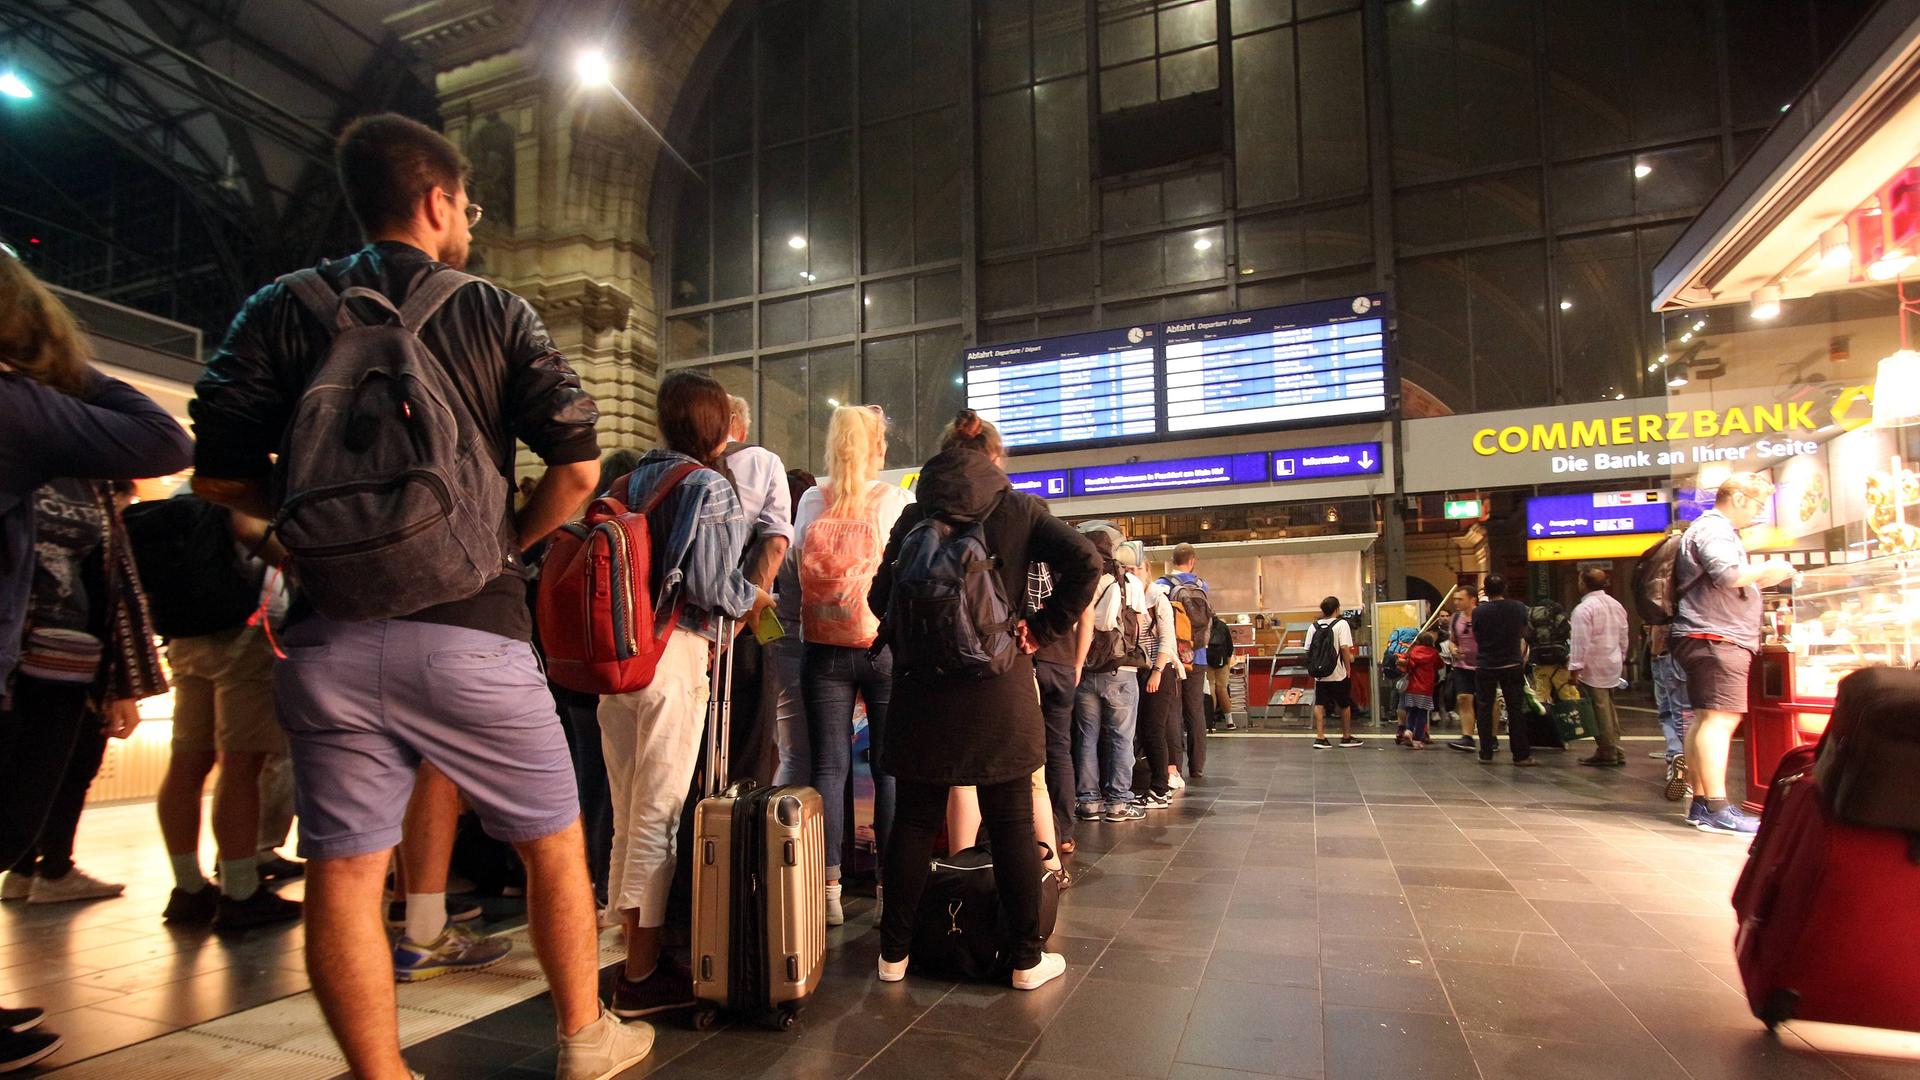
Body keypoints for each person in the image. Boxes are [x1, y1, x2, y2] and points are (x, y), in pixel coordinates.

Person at [189, 114, 652, 1079]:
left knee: (348, 874)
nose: (471, 225)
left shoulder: (276, 309)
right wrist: (502, 546)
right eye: (468, 207)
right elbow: (577, 467)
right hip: (472, 631)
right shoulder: (493, 310)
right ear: (438, 200)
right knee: (553, 848)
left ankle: (381, 1072)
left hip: (328, 640)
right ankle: (584, 1039)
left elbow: (219, 475)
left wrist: (310, 533)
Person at [0, 250, 193, 1071]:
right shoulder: (20, 408)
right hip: (29, 660)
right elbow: (164, 437)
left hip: (52, 662)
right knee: (7, 821)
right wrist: (67, 365)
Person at [868, 410, 1098, 991]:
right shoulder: (1018, 508)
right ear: (993, 458)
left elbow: (878, 595)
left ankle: (892, 956)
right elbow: (1087, 561)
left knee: (915, 822)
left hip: (921, 692)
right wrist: (1042, 627)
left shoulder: (915, 512)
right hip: (998, 692)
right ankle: (1025, 960)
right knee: (1012, 820)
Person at [595, 371, 774, 1017]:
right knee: (659, 817)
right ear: (718, 426)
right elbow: (712, 588)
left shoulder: (627, 481)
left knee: (626, 813)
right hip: (671, 660)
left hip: (615, 663)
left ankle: (626, 955)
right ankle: (642, 976)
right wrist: (756, 596)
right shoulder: (709, 486)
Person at [144, 497, 303, 931]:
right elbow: (252, 531)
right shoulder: (238, 490)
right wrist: (297, 567)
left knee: (187, 762)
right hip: (246, 633)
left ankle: (188, 888)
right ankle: (240, 891)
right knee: (241, 766)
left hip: (188, 636)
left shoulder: (185, 499)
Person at [796, 405, 911, 926]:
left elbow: (793, 562)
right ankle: (889, 885)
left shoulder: (809, 500)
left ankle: (827, 890)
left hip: (822, 646)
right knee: (888, 769)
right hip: (881, 646)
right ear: (876, 448)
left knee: (827, 768)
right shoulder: (895, 501)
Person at [1672, 473, 1795, 834]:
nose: (1758, 513)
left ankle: (1701, 803)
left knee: (1706, 718)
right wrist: (1768, 570)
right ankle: (1716, 807)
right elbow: (1726, 575)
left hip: (1706, 635)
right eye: (1757, 504)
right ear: (1738, 497)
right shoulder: (1715, 529)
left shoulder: (1706, 529)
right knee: (1720, 720)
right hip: (1716, 636)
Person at [720, 394, 793, 788]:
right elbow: (776, 540)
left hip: (678, 631)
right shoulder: (762, 461)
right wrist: (745, 614)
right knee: (748, 745)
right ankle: (740, 842)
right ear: (741, 427)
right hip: (744, 625)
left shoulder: (675, 467)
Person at [1072, 521, 1148, 824]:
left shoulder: (1084, 581)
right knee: (1121, 738)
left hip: (1086, 667)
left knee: (1086, 738)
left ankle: (1088, 801)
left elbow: (1079, 623)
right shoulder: (1130, 583)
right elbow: (1136, 628)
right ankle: (1118, 802)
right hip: (1121, 670)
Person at [1025, 542, 1094, 856]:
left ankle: (1038, 834)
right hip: (1064, 665)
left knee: (1030, 752)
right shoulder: (1067, 564)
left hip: (1030, 662)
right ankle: (1064, 832)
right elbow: (1087, 615)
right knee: (1060, 748)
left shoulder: (1017, 560)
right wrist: (1078, 664)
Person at [1450, 575, 1534, 766]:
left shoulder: (1480, 612)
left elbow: (1478, 635)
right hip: (1512, 663)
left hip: (1486, 664)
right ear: (1504, 587)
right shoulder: (1518, 607)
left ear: (1485, 591)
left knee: (1484, 707)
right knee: (1515, 710)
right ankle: (1520, 754)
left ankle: (1485, 752)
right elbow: (1525, 632)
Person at [769, 468, 817, 788]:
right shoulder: (806, 542)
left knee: (790, 751)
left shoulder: (778, 539)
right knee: (802, 754)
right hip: (805, 642)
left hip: (776, 641)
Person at [1159, 545, 1221, 778]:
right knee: (1195, 710)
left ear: (1171, 560)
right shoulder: (1201, 586)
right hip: (1200, 655)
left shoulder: (1162, 585)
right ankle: (1197, 767)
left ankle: (1174, 766)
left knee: (1173, 710)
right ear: (1192, 561)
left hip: (1174, 655)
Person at [1133, 552, 1184, 807]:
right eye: (1128, 569)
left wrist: (1157, 671)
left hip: (1159, 671)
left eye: (1137, 569)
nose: (1132, 573)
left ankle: (1160, 788)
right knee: (1145, 730)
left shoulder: (1158, 599)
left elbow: (1167, 640)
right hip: (1138, 671)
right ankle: (1154, 785)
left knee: (1154, 729)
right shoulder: (1130, 599)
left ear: (1146, 570)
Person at [1569, 567, 1630, 767]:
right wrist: (1621, 656)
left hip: (1593, 665)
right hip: (1612, 662)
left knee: (1599, 708)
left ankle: (1608, 751)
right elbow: (1624, 635)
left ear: (1584, 584)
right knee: (1609, 707)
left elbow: (1580, 642)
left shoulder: (1584, 609)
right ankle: (1613, 747)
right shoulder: (1616, 604)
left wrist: (1574, 669)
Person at [1308, 597, 1362, 749]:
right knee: (1344, 704)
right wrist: (1347, 668)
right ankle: (1346, 736)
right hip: (1338, 673)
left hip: (1321, 674)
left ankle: (1320, 737)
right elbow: (1345, 648)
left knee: (1320, 704)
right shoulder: (1341, 624)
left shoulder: (1314, 626)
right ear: (1337, 609)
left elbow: (1308, 650)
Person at [1648, 622, 1693, 801]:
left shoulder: (1671, 600)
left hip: (1668, 656)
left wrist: (1654, 650)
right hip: (1692, 654)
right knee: (1689, 713)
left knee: (1672, 712)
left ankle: (1681, 760)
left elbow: (1660, 625)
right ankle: (1682, 759)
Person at [1445, 588, 1478, 740]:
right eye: (1455, 599)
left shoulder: (1481, 616)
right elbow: (1452, 640)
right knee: (1463, 698)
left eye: (1460, 599)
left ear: (1472, 600)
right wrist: (1453, 649)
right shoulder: (1456, 618)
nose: (1457, 602)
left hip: (1482, 664)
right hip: (1462, 665)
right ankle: (1467, 736)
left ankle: (1491, 737)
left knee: (1488, 702)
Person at [1398, 631, 1440, 747]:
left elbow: (1408, 666)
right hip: (1426, 689)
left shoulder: (1413, 652)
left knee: (1411, 711)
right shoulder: (1434, 653)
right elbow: (1440, 664)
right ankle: (1417, 739)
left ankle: (1408, 731)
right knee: (1422, 714)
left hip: (1412, 687)